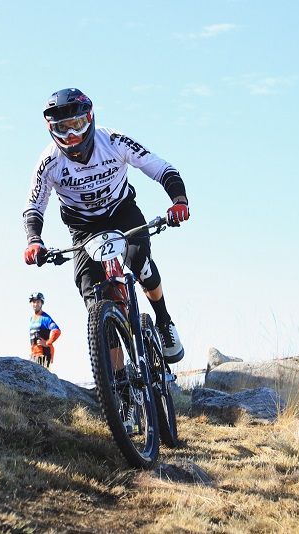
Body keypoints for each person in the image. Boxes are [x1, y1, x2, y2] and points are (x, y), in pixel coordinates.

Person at [22, 88, 189, 363]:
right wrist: (34, 240)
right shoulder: (49, 161)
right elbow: (34, 205)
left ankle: (163, 321)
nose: (71, 135)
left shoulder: (113, 141)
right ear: (51, 130)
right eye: (62, 129)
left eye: (76, 125)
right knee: (93, 297)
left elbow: (161, 168)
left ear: (89, 119)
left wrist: (178, 201)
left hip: (122, 214)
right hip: (83, 229)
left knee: (138, 260)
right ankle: (119, 385)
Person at [28, 291, 61, 368]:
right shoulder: (32, 318)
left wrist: (47, 343)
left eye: (38, 302)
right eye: (33, 302)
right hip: (34, 355)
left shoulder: (45, 318)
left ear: (42, 303)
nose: (35, 304)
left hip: (43, 355)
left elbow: (56, 331)